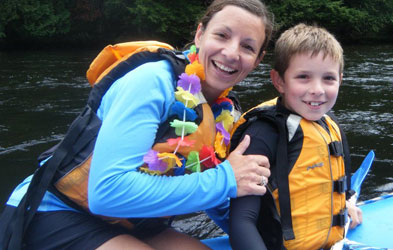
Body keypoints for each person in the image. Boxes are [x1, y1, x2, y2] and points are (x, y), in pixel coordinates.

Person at [0, 0, 274, 249]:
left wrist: (268, 237)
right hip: (57, 210)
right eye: (222, 35)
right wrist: (226, 179)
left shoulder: (225, 113)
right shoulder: (152, 81)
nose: (231, 52)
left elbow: (215, 191)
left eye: (247, 47)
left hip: (135, 221)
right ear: (200, 34)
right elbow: (106, 193)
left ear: (258, 60)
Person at [229, 23, 363, 250]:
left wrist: (345, 205)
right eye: (303, 77)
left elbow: (336, 185)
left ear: (340, 79)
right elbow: (242, 222)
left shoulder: (330, 126)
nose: (318, 90)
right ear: (279, 81)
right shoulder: (263, 133)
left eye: (328, 78)